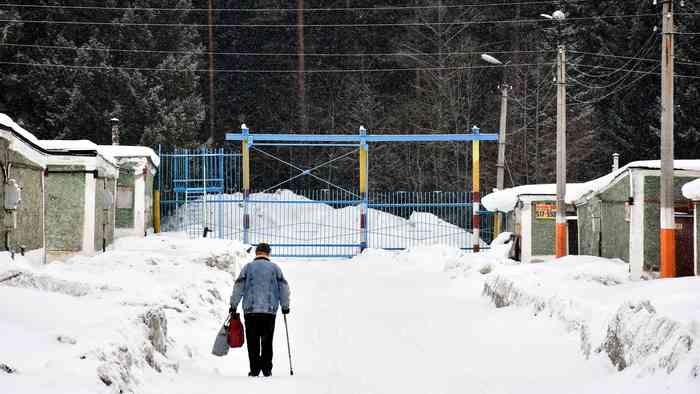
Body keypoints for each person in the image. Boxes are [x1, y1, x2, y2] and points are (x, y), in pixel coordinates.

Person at [230, 243, 291, 377]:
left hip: (250, 311)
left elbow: (238, 287)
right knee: (267, 341)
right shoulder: (275, 268)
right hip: (269, 311)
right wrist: (285, 306)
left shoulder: (248, 268)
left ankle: (255, 369)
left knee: (253, 341)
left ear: (256, 253)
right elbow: (284, 288)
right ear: (268, 253)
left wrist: (233, 305)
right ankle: (267, 369)